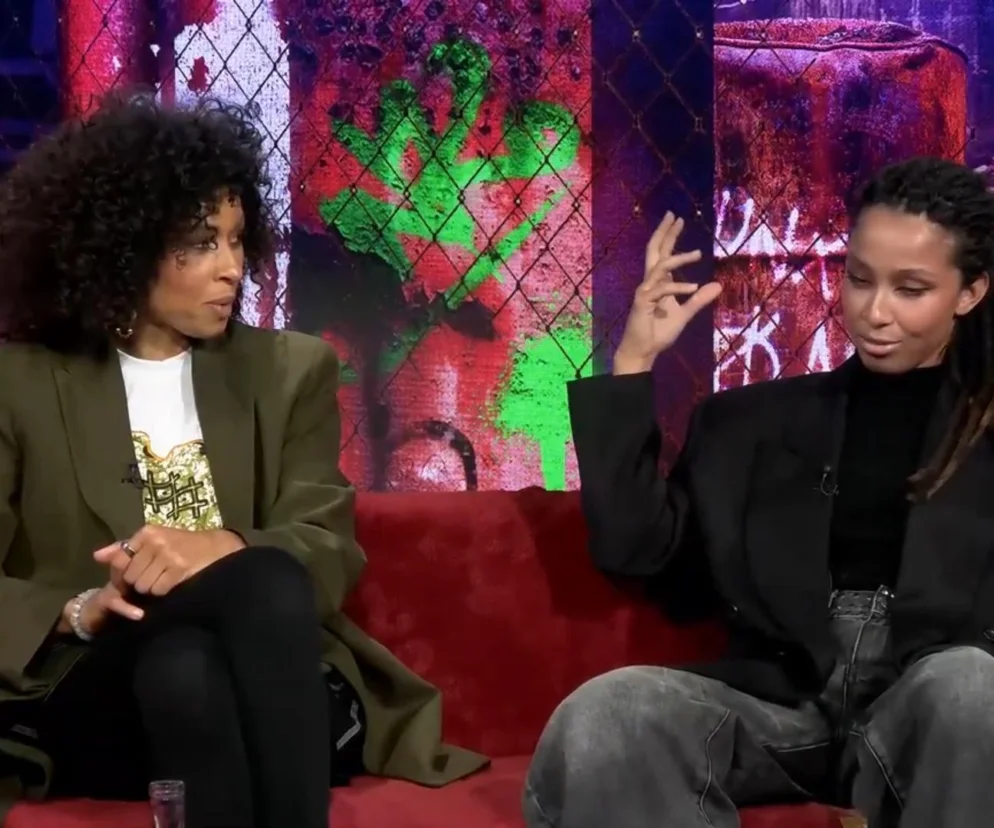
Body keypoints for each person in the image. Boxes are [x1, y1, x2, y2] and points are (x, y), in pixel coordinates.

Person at [0, 94, 486, 828]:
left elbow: (325, 548)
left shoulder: (289, 372)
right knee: (214, 625)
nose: (232, 268)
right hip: (93, 684)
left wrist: (219, 547)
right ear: (126, 246)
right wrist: (78, 612)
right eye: (201, 244)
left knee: (198, 654)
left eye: (236, 240)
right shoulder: (22, 384)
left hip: (252, 674)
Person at [523, 157, 994, 828]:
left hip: (932, 713)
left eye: (910, 289)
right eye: (859, 279)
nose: (874, 312)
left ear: (970, 292)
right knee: (610, 712)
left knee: (973, 687)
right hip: (781, 706)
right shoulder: (748, 425)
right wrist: (633, 362)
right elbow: (637, 554)